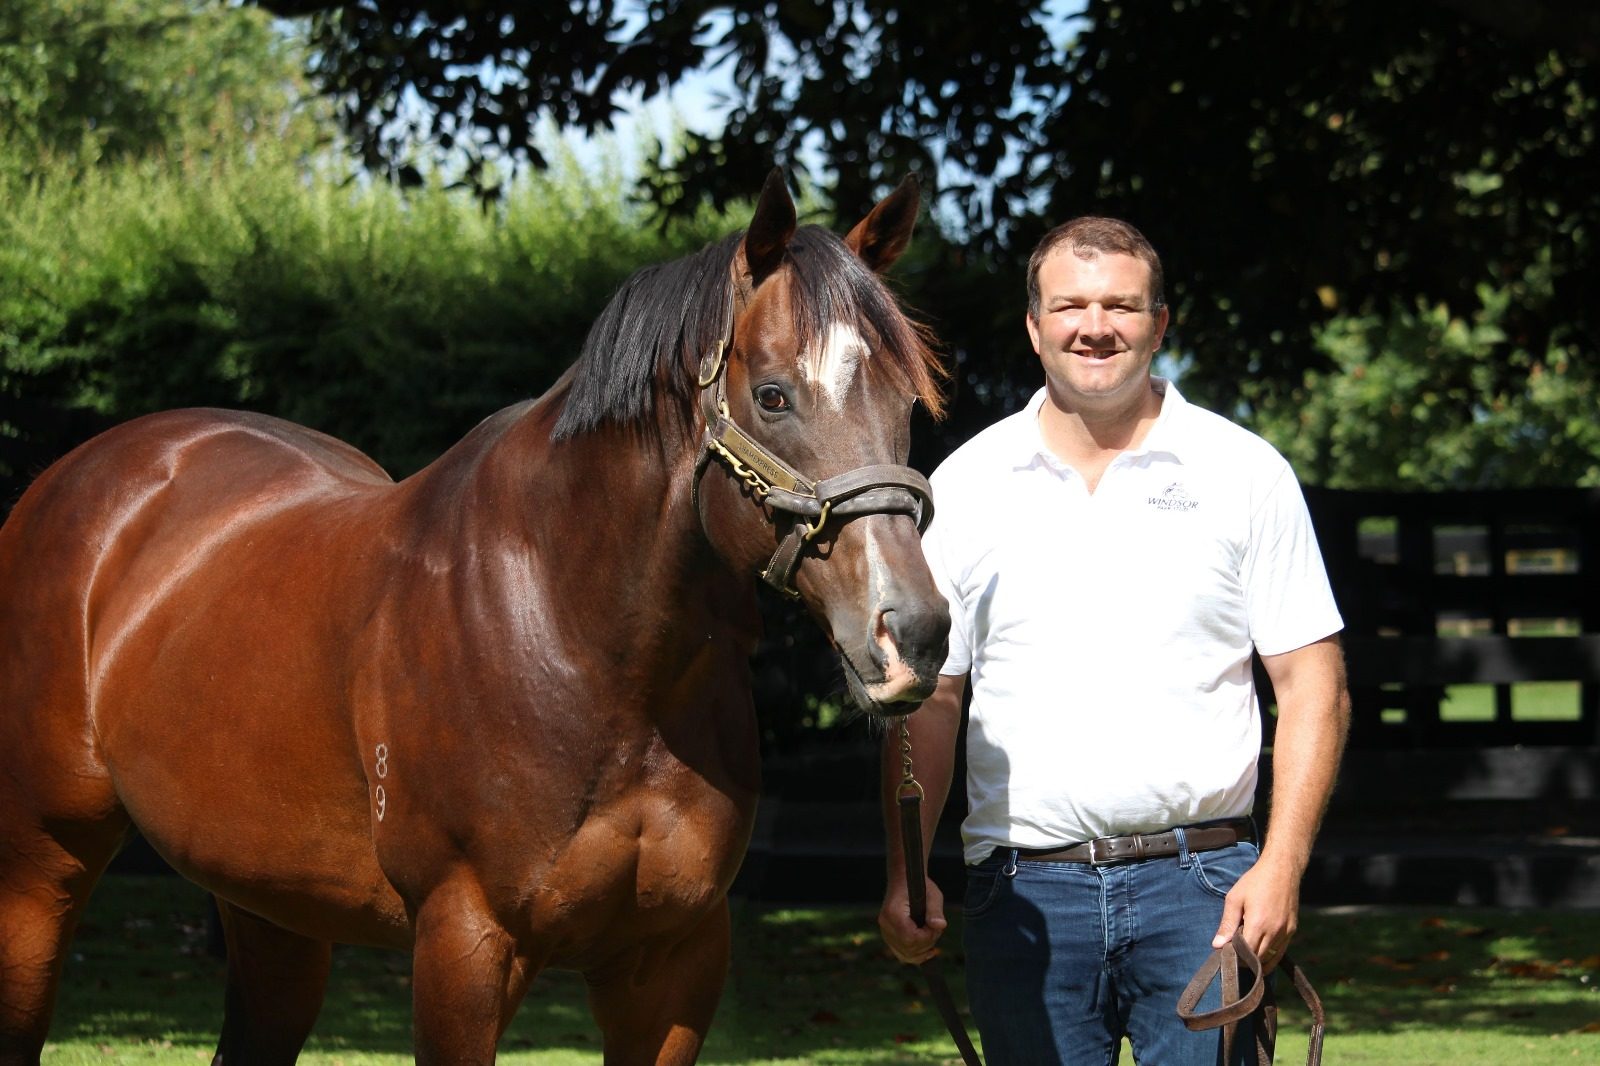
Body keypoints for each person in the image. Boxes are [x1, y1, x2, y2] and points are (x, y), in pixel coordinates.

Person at [878, 216, 1350, 1065]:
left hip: (1204, 888)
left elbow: (1314, 683)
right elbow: (934, 695)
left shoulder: (1244, 472)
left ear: (1159, 324)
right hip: (1022, 894)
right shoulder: (966, 484)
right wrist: (906, 871)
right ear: (1034, 326)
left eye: (1121, 306)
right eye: (1070, 305)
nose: (1095, 326)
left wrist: (1280, 867)